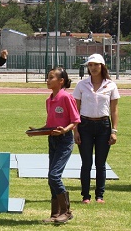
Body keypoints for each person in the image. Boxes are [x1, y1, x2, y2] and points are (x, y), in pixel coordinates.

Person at [34, 67, 80, 224]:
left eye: (51, 77)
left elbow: (75, 120)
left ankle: (66, 212)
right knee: (51, 177)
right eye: (47, 77)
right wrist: (38, 131)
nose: (48, 80)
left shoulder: (67, 97)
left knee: (54, 176)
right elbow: (51, 124)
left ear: (61, 81)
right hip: (52, 140)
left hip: (65, 140)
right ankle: (55, 214)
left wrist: (64, 130)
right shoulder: (49, 100)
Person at [73, 53, 119, 204]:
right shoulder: (81, 85)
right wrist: (76, 130)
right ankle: (85, 196)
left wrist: (114, 131)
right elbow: (76, 109)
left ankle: (100, 195)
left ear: (102, 66)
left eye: (96, 65)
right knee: (86, 163)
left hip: (103, 126)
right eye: (90, 65)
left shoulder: (111, 85)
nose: (93, 68)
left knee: (101, 163)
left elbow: (114, 110)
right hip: (85, 125)